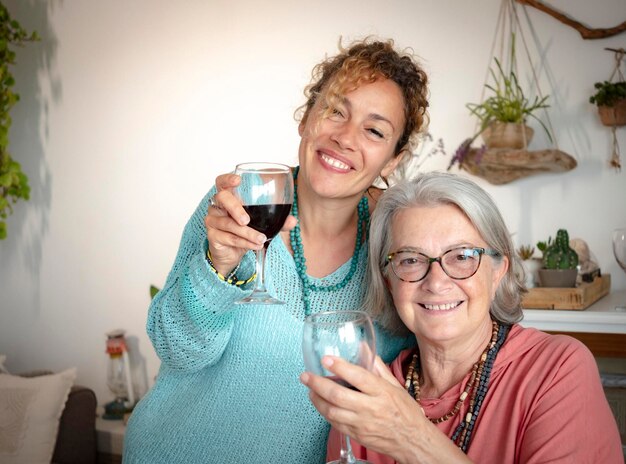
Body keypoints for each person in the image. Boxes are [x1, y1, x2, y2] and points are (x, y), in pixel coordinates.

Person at [123, 37, 430, 463]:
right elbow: (177, 350)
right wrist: (217, 267)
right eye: (335, 111)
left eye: (374, 130)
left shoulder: (399, 241)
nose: (344, 137)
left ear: (392, 161)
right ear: (305, 119)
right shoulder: (241, 204)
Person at [301, 172, 623, 463]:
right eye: (411, 259)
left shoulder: (557, 371)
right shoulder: (371, 395)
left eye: (462, 257)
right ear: (390, 280)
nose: (436, 282)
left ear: (498, 271)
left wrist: (412, 437)